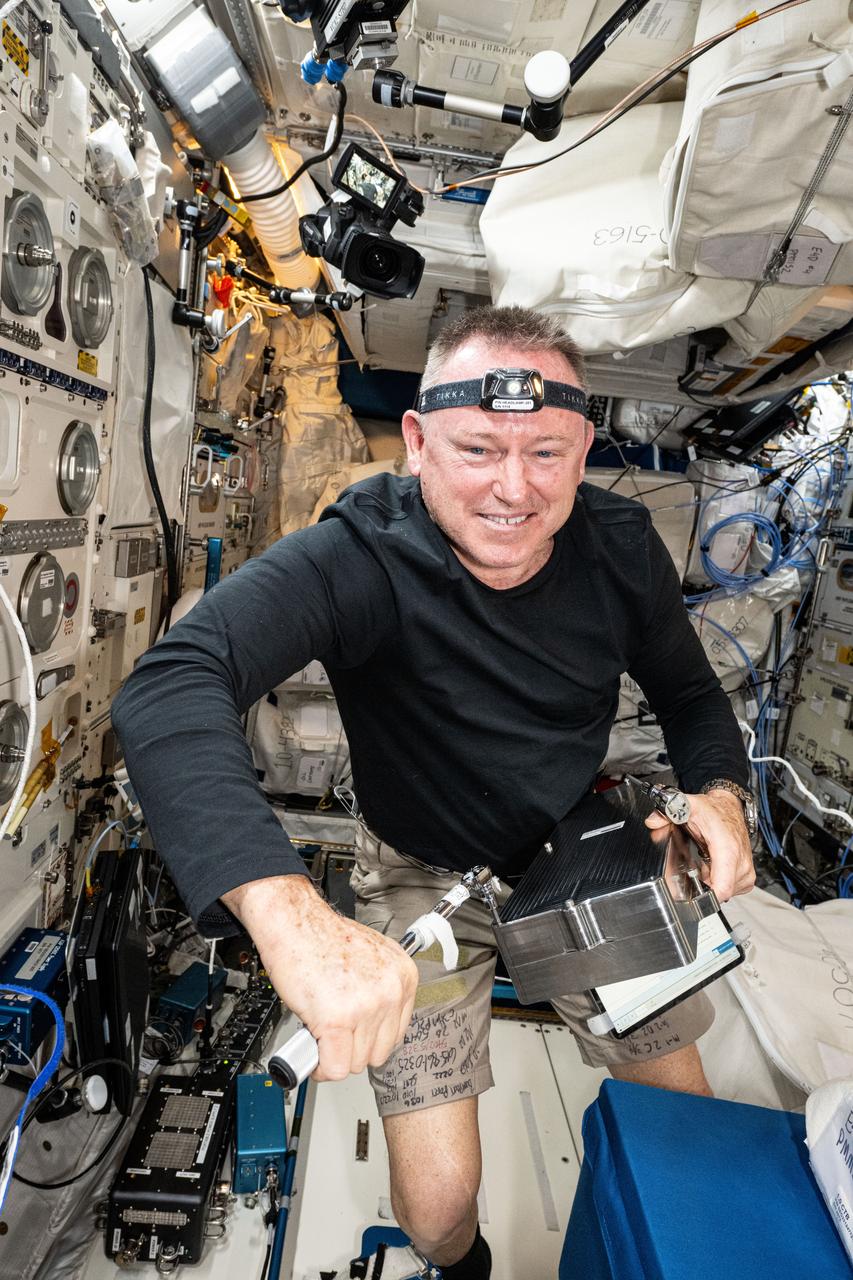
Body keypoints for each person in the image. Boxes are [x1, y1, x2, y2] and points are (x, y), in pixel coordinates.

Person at [112, 305, 755, 1279]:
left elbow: (693, 695)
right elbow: (171, 681)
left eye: (545, 449)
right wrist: (289, 913)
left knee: (692, 1140)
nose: (513, 486)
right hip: (422, 883)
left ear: (584, 446)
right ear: (416, 441)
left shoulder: (621, 548)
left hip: (579, 856)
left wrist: (720, 792)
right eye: (477, 447)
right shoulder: (362, 551)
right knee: (437, 1206)